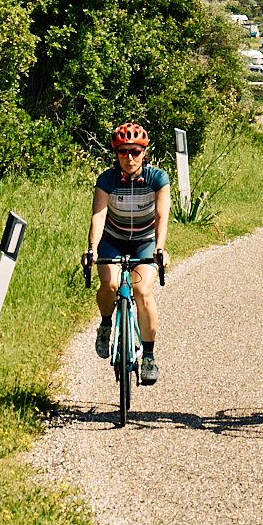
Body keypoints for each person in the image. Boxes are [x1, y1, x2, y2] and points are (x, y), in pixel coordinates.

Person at [87, 122, 170, 386]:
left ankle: (149, 357)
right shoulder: (107, 180)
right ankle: (105, 324)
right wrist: (92, 249)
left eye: (135, 151)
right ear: (116, 154)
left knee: (143, 291)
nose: (130, 158)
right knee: (110, 284)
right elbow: (99, 216)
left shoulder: (157, 178)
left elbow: (161, 216)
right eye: (123, 152)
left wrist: (159, 248)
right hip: (113, 240)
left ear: (144, 153)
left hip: (144, 242)